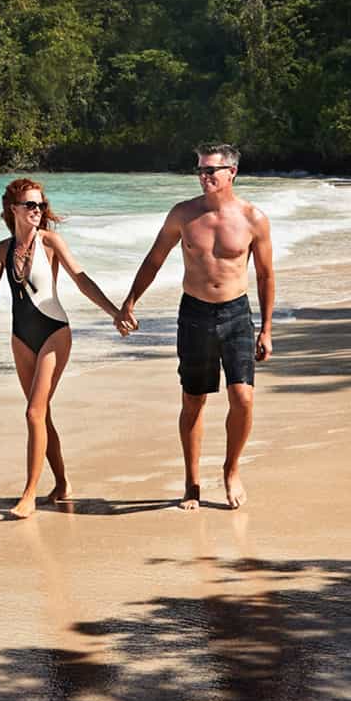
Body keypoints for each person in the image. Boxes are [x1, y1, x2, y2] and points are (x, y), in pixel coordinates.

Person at [0, 178, 131, 519]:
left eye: (40, 205)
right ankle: (63, 484)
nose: (37, 210)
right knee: (42, 415)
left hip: (54, 333)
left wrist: (115, 312)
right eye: (30, 205)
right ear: (13, 209)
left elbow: (81, 279)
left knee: (33, 414)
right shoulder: (2, 249)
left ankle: (29, 496)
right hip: (21, 337)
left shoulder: (50, 242)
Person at [119, 143, 274, 510]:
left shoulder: (254, 219)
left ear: (231, 173)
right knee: (193, 400)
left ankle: (231, 470)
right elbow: (154, 259)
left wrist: (266, 328)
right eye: (200, 170)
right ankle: (192, 483)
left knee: (243, 398)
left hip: (237, 313)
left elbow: (266, 275)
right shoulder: (183, 215)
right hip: (194, 315)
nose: (204, 177)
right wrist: (130, 301)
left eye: (211, 171)